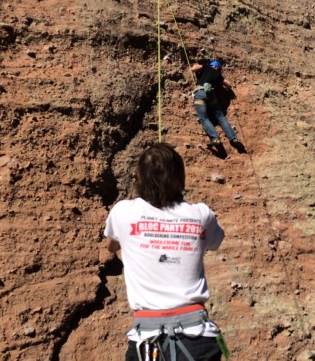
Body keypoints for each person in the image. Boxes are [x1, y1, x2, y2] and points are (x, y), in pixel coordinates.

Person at [104, 143, 228, 361]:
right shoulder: (201, 214)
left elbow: (112, 246)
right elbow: (215, 243)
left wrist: (131, 256)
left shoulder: (123, 212)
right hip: (197, 337)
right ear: (180, 177)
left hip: (147, 341)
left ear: (139, 178)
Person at [192, 60, 244, 152]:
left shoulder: (206, 67)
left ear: (211, 65)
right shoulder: (218, 75)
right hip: (211, 95)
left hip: (200, 93)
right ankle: (233, 139)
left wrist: (200, 65)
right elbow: (229, 85)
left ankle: (215, 139)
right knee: (221, 117)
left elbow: (194, 69)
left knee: (204, 118)